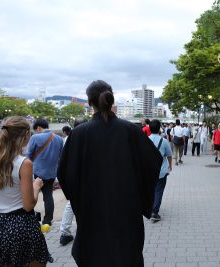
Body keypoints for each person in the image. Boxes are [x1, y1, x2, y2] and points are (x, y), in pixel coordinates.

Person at [57, 80, 162, 267]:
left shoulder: (79, 134)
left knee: (94, 256)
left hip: (91, 211)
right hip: (127, 209)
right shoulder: (131, 130)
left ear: (90, 102)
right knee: (126, 255)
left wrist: (79, 199)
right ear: (110, 98)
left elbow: (65, 173)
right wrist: (141, 197)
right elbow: (153, 163)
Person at [0, 116, 53, 266]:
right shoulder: (24, 163)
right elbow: (28, 205)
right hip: (20, 226)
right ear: (27, 134)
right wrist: (35, 187)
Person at [27, 118, 63, 232]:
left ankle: (30, 220)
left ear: (38, 127)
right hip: (52, 173)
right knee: (48, 197)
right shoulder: (59, 139)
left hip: (37, 173)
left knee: (32, 195)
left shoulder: (35, 137)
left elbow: (29, 155)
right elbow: (60, 156)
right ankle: (47, 223)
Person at [59, 118, 88, 246]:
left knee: (71, 204)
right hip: (86, 177)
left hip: (73, 177)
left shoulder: (68, 139)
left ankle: (65, 232)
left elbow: (62, 163)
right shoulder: (88, 138)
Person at [148, 119, 172, 222]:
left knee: (150, 190)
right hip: (161, 170)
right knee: (158, 191)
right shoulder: (164, 141)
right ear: (159, 129)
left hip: (148, 171)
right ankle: (154, 212)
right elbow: (169, 155)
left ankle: (149, 208)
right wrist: (170, 166)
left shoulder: (145, 139)